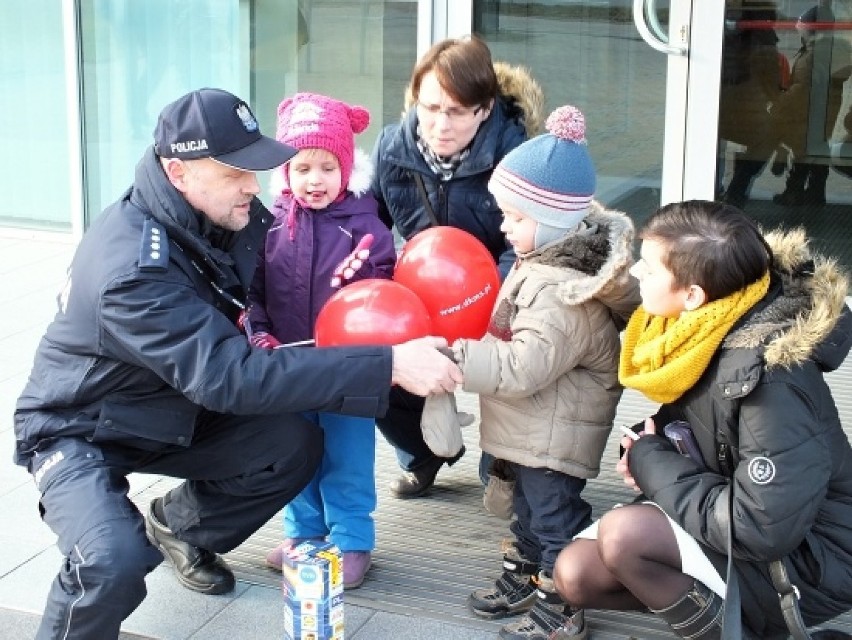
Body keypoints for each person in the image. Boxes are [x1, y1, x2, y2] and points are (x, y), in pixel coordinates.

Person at [12, 87, 462, 640]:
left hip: (171, 401)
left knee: (292, 445)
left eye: (256, 168)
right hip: (80, 428)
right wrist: (384, 362)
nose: (254, 185)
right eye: (235, 173)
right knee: (112, 561)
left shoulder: (226, 213)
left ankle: (175, 524)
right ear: (179, 173)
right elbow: (235, 379)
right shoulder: (134, 271)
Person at [550, 200, 852, 639]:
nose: (635, 272)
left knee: (625, 536)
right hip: (738, 513)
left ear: (692, 295)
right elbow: (703, 427)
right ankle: (734, 617)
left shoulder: (773, 381)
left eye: (649, 269)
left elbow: (760, 528)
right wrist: (647, 443)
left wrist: (651, 462)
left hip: (812, 560)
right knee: (575, 574)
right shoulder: (704, 330)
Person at [450, 105, 640, 640]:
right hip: (532, 427)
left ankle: (564, 600)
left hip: (553, 433)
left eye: (515, 216)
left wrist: (456, 357)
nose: (503, 225)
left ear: (554, 220)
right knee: (527, 514)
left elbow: (524, 367)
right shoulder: (541, 264)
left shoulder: (561, 292)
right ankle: (529, 575)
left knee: (555, 520)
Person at [371, 34, 544, 498]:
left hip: (501, 284)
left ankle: (501, 461)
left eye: (455, 112)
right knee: (372, 358)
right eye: (429, 108)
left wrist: (493, 300)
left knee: (520, 356)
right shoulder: (393, 148)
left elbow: (526, 242)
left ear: (484, 109)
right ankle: (425, 452)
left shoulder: (516, 155)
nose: (439, 124)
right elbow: (370, 224)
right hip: (425, 285)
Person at [246, 92, 397, 589]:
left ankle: (353, 540)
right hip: (290, 367)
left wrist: (370, 273)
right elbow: (252, 293)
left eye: (328, 167)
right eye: (303, 166)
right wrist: (258, 331)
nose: (315, 179)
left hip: (348, 368)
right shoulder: (269, 226)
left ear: (347, 169)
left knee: (347, 457)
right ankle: (304, 534)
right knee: (296, 452)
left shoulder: (366, 226)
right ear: (285, 171)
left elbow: (384, 292)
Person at [772, 1, 852, 207]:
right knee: (816, 149)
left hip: (805, 113)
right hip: (824, 110)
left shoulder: (813, 55)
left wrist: (779, 106)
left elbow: (801, 89)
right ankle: (815, 192)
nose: (800, 31)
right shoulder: (831, 51)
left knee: (802, 150)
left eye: (803, 28)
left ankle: (794, 191)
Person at [719, 0, 785, 208]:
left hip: (719, 110)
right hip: (741, 112)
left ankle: (719, 189)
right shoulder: (764, 42)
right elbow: (772, 86)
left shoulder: (724, 36)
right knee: (772, 135)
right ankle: (736, 191)